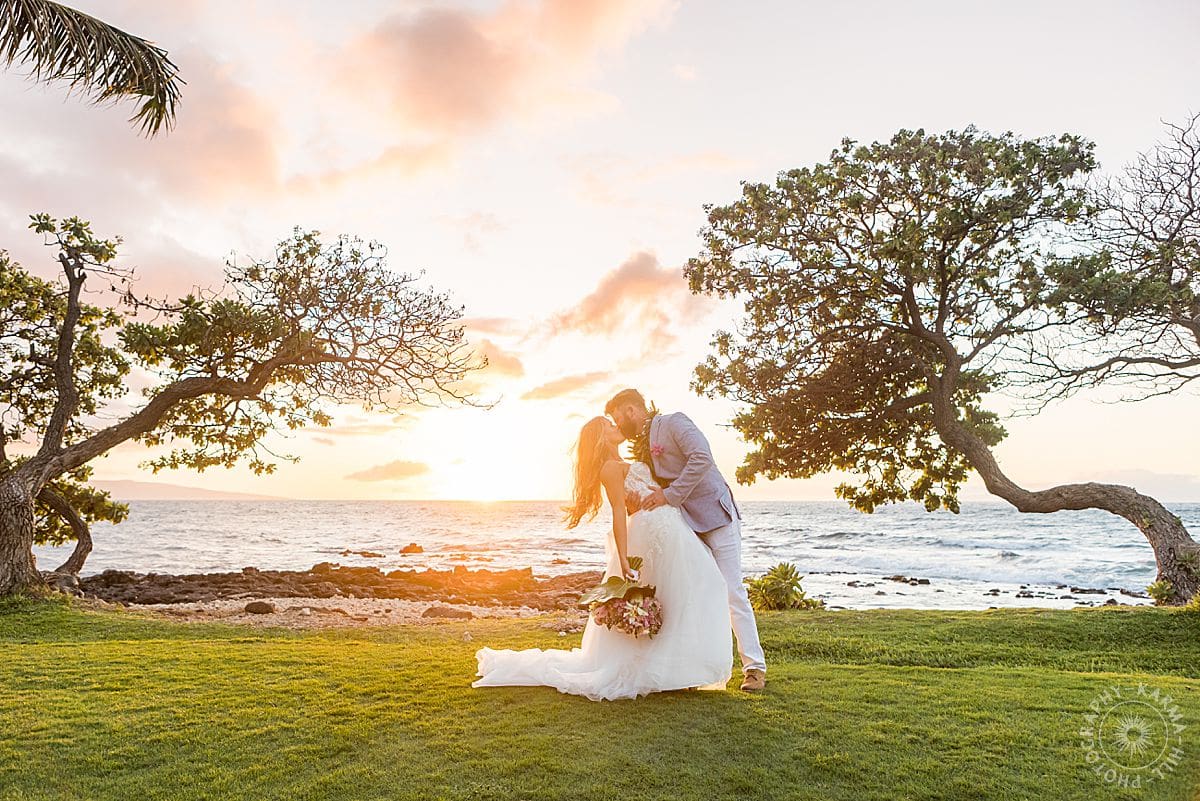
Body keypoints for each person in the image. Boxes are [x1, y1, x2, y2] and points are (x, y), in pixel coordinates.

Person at [471, 415, 732, 701]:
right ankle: (670, 670)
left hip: (670, 529)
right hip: (651, 533)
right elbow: (619, 513)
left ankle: (682, 669)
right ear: (600, 437)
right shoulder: (609, 468)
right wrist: (622, 558)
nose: (616, 426)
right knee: (686, 590)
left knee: (690, 592)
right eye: (609, 425)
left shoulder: (629, 460)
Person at [605, 388, 767, 691]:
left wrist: (669, 495)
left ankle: (754, 668)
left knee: (732, 591)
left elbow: (702, 458)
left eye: (618, 418)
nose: (619, 426)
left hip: (716, 516)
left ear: (631, 410)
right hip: (685, 525)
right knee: (695, 595)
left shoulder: (674, 423)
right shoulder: (642, 450)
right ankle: (691, 670)